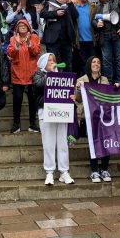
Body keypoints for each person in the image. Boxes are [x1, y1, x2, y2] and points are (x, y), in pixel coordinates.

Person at [33, 53, 74, 186]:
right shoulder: (38, 74)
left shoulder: (61, 75)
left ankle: (64, 171)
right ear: (44, 62)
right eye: (49, 60)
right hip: (46, 112)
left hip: (61, 111)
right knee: (48, 143)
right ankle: (49, 172)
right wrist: (51, 74)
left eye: (53, 60)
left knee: (62, 143)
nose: (52, 62)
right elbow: (38, 85)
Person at [73, 56, 110, 182]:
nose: (96, 64)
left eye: (98, 62)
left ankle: (104, 169)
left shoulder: (105, 80)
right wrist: (78, 88)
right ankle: (94, 171)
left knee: (106, 143)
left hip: (102, 117)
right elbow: (78, 99)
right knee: (92, 144)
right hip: (88, 118)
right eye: (94, 62)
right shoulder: (81, 80)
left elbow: (109, 96)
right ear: (89, 65)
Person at [6, 19, 41, 134]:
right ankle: (16, 124)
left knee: (32, 100)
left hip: (32, 74)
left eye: (24, 25)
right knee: (17, 99)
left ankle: (33, 123)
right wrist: (16, 44)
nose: (22, 27)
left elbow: (36, 52)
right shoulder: (12, 39)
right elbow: (10, 53)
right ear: (16, 28)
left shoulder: (34, 38)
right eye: (20, 25)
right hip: (17, 73)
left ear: (28, 27)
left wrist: (29, 43)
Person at [92, 0, 120, 83]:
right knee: (106, 60)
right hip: (104, 36)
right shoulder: (98, 6)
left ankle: (119, 82)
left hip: (118, 34)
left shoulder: (118, 0)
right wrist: (97, 24)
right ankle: (108, 82)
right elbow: (94, 20)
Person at [41, 0, 78, 71]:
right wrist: (55, 13)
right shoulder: (50, 3)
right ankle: (53, 81)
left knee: (67, 62)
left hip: (66, 39)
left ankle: (67, 81)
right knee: (52, 62)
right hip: (53, 39)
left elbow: (76, 16)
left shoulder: (69, 5)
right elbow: (42, 13)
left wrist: (71, 4)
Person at [74, 0, 96, 74]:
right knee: (83, 63)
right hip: (80, 40)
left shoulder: (92, 7)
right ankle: (84, 82)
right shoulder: (74, 8)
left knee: (93, 62)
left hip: (92, 40)